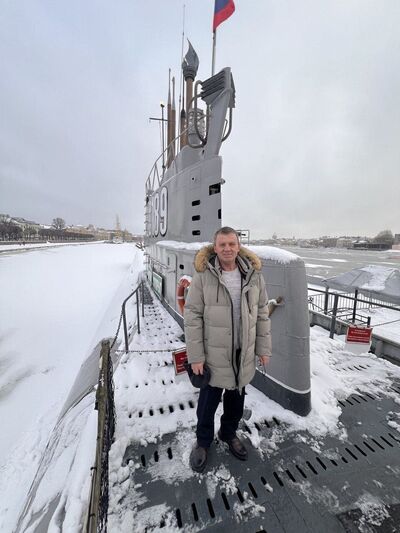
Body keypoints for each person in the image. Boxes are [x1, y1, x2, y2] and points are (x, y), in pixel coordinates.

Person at [184, 226, 272, 473]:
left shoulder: (253, 275)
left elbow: (262, 313)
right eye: (222, 244)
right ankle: (203, 442)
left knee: (235, 403)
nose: (227, 249)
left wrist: (263, 348)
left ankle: (228, 433)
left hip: (242, 354)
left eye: (232, 244)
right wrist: (196, 357)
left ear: (238, 246)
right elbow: (192, 316)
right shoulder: (204, 276)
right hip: (214, 356)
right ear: (215, 247)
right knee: (207, 405)